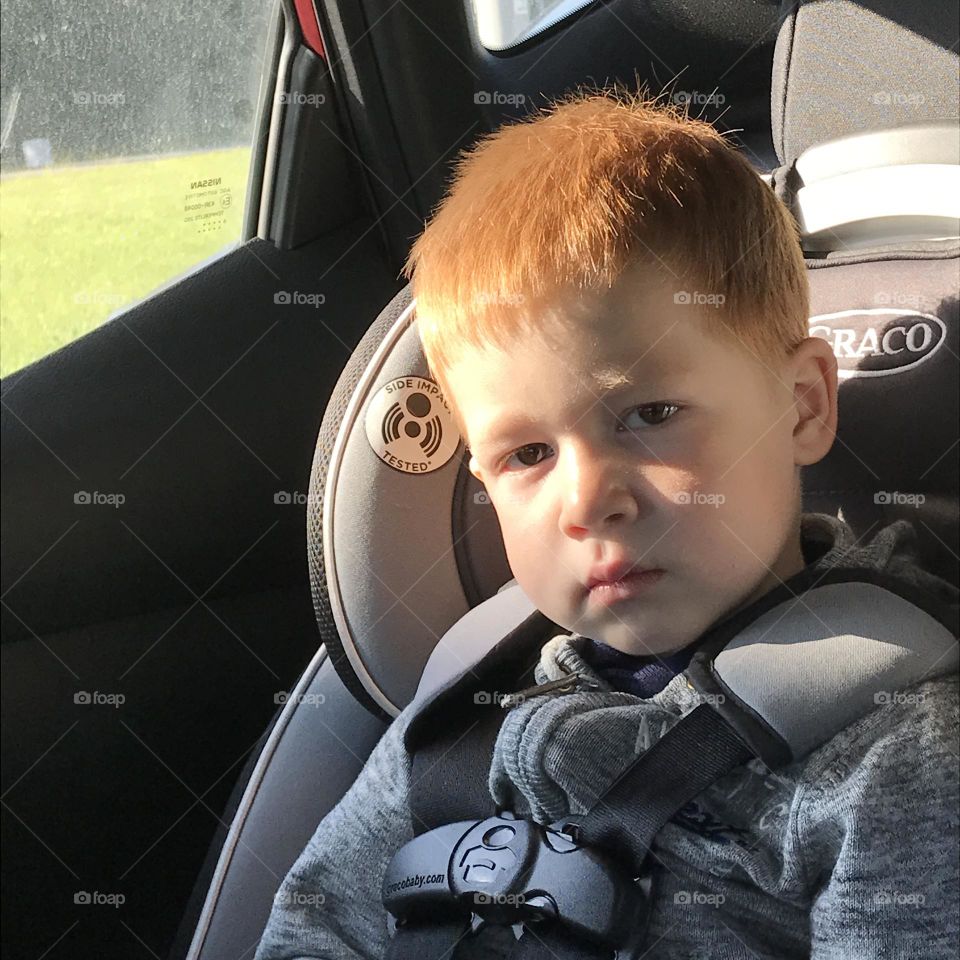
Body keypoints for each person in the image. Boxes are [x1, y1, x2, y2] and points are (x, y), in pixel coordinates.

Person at [255, 90, 959, 959]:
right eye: (526, 456)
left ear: (803, 403)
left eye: (650, 412)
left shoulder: (890, 751)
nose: (588, 501)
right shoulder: (469, 705)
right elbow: (313, 931)